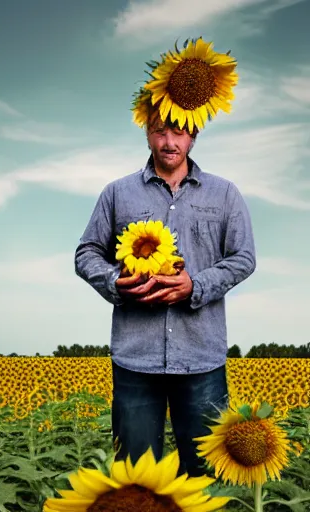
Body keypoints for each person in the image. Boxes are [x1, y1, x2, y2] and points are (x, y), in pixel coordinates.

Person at [74, 37, 256, 477]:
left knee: (207, 479)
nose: (168, 141)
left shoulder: (225, 193)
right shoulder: (117, 192)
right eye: (159, 129)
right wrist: (114, 282)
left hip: (202, 359)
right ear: (147, 130)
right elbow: (86, 253)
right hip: (135, 359)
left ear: (193, 133)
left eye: (178, 131)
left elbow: (244, 258)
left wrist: (196, 285)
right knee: (136, 478)